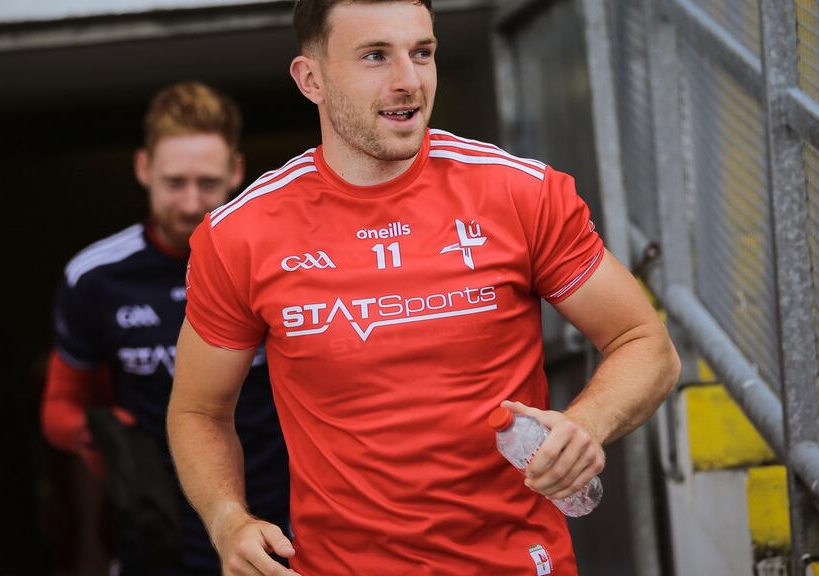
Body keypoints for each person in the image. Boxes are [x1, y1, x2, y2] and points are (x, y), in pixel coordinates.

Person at [169, 1, 680, 574]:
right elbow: (198, 412)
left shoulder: (520, 194)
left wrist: (587, 423)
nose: (408, 82)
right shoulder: (242, 234)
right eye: (374, 56)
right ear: (310, 79)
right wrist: (227, 520)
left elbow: (646, 344)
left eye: (422, 53)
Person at [41, 81, 290, 576]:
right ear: (142, 169)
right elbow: (58, 407)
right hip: (154, 530)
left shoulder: (283, 261)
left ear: (237, 171)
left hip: (278, 524)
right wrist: (104, 437)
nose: (191, 202)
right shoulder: (96, 276)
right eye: (175, 183)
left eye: (209, 183)